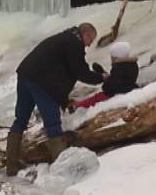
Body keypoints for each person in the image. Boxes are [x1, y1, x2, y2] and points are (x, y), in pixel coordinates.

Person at [6, 22, 106, 175]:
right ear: (85, 34)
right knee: (52, 123)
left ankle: (11, 166)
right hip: (41, 82)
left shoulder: (64, 38)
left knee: (20, 119)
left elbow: (60, 72)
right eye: (90, 40)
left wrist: (63, 99)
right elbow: (80, 72)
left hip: (26, 74)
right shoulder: (74, 44)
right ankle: (62, 169)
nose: (89, 45)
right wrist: (101, 78)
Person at [70, 41, 141, 109]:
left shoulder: (119, 67)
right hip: (128, 87)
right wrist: (103, 73)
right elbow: (119, 79)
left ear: (117, 57)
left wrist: (104, 81)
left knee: (96, 98)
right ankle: (78, 105)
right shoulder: (131, 64)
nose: (111, 59)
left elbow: (109, 87)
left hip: (119, 93)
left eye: (112, 57)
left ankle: (77, 107)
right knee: (97, 96)